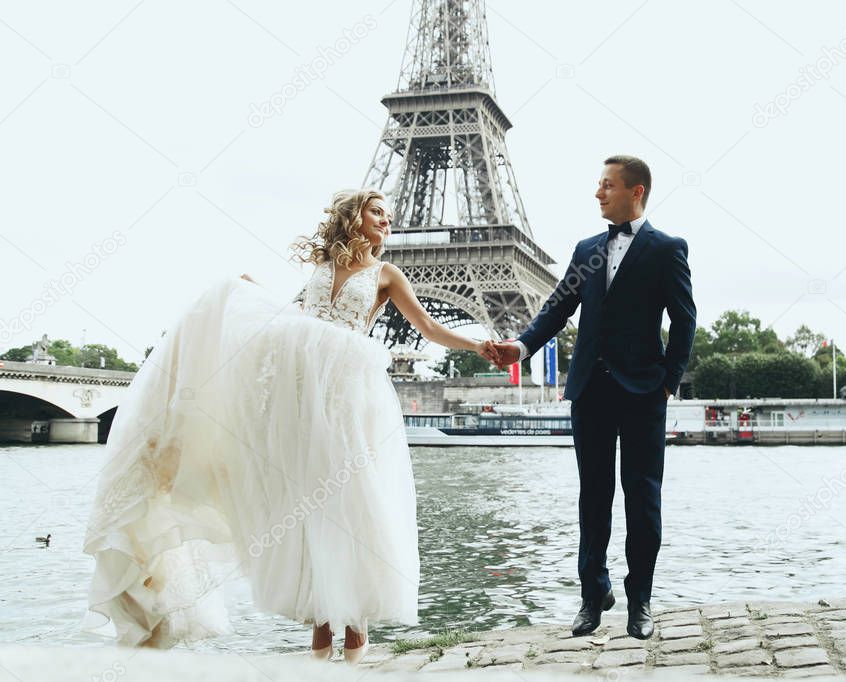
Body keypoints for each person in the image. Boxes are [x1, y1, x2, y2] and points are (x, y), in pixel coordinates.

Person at [82, 189, 500, 662]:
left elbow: (427, 328)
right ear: (353, 216)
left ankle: (356, 630)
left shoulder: (386, 274)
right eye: (377, 211)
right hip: (305, 398)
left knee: (350, 500)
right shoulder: (321, 270)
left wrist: (478, 345)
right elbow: (293, 324)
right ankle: (322, 633)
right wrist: (249, 292)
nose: (387, 220)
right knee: (307, 504)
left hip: (349, 398)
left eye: (388, 214)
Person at [492, 155, 696, 639]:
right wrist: (519, 347)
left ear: (636, 191)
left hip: (645, 391)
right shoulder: (587, 249)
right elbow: (557, 308)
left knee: (642, 498)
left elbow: (685, 319)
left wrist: (669, 379)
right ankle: (592, 595)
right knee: (593, 497)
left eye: (607, 185)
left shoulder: (667, 248)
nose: (598, 193)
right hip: (590, 390)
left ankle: (640, 599)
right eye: (598, 185)